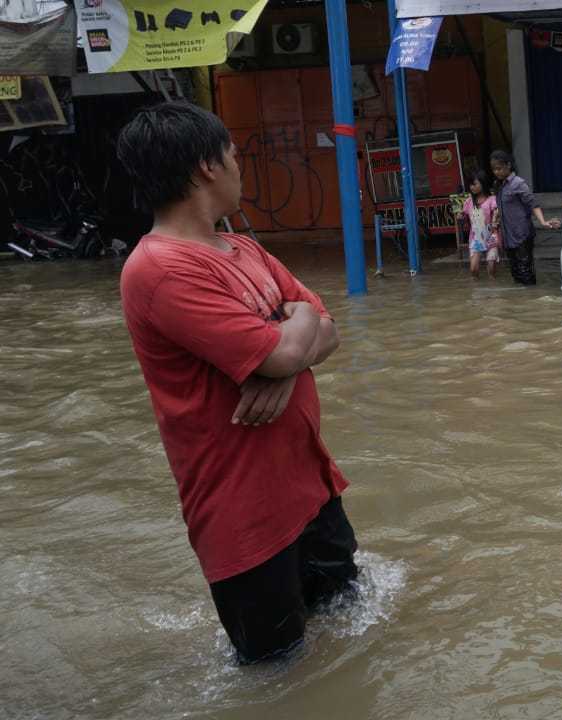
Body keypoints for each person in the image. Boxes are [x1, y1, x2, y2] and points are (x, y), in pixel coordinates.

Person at [115, 102, 358, 665]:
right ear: (205, 167)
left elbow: (329, 329)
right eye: (232, 155)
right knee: (279, 679)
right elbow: (293, 338)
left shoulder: (243, 248)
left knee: (350, 641)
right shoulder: (160, 270)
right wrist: (286, 346)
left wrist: (285, 357)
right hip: (245, 521)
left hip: (313, 489)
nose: (238, 167)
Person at [490, 150, 559, 285]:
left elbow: (533, 204)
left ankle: (531, 298)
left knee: (525, 270)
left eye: (499, 168)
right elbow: (502, 205)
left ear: (508, 165)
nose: (496, 172)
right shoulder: (498, 185)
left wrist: (543, 221)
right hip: (508, 236)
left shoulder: (518, 183)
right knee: (515, 272)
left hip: (522, 235)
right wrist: (496, 217)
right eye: (494, 169)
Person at [458, 171, 500, 280]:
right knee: (473, 269)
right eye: (471, 184)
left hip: (491, 236)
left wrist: (495, 219)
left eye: (475, 184)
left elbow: (496, 211)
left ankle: (494, 292)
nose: (472, 187)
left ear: (483, 183)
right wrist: (461, 216)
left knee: (491, 268)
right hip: (475, 238)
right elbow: (463, 214)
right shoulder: (468, 202)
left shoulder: (491, 199)